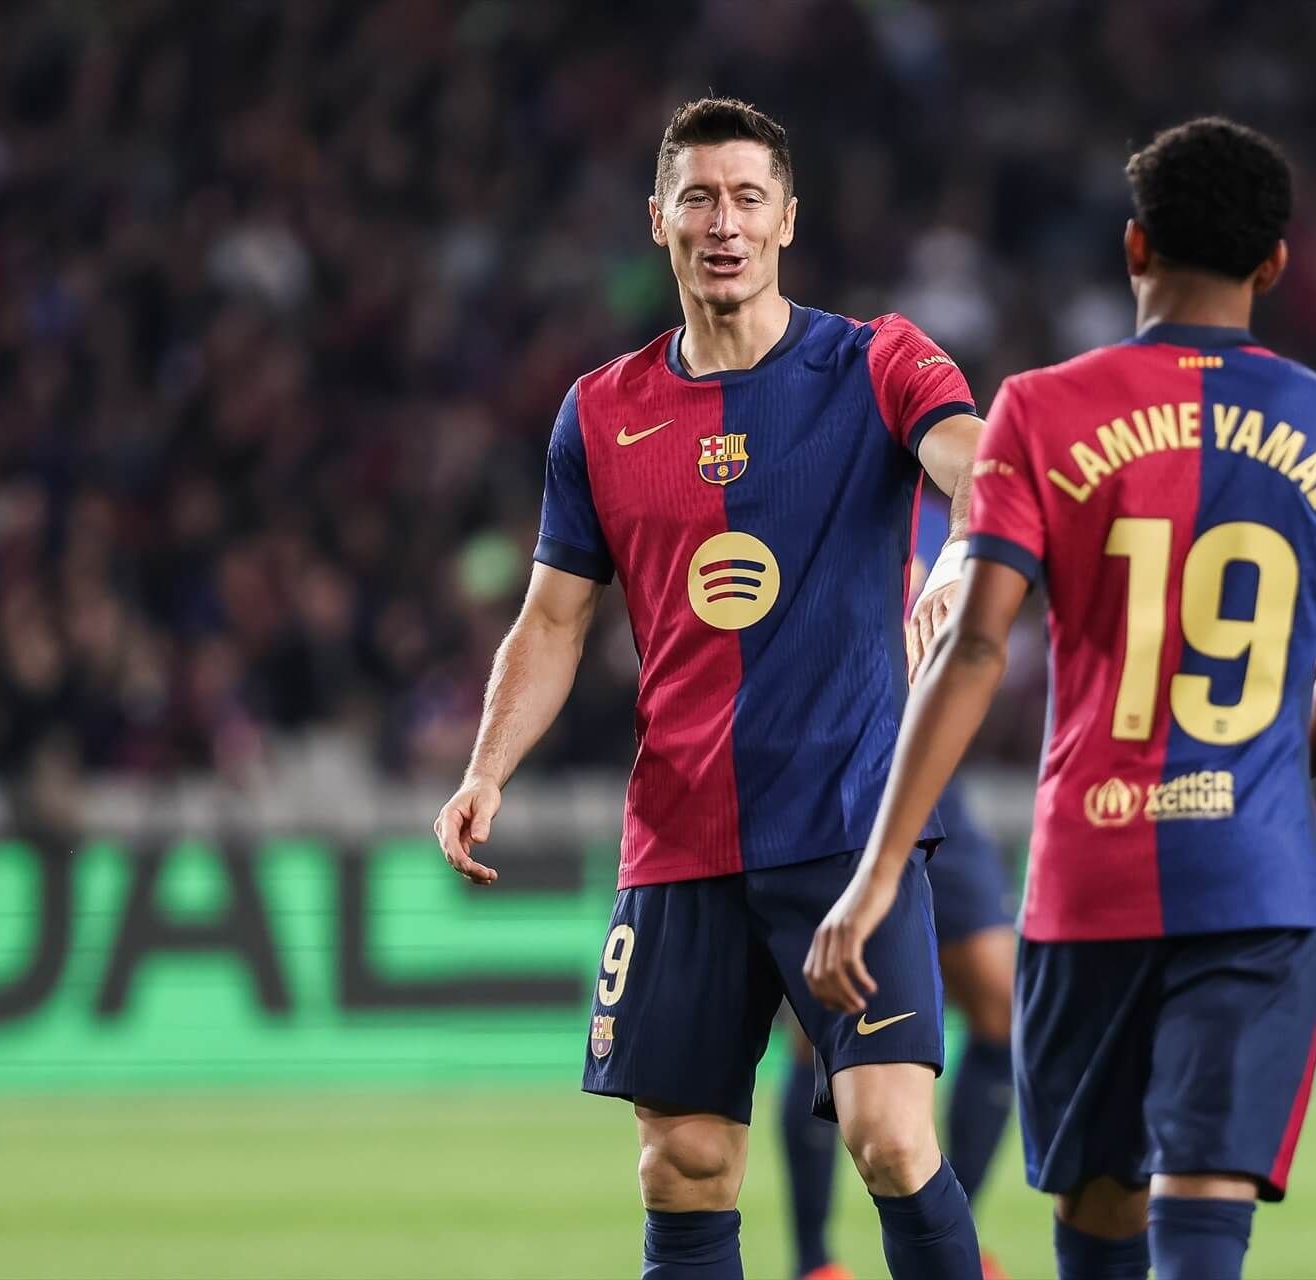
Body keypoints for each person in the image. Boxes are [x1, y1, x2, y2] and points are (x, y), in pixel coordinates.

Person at [805, 117, 1316, 1279]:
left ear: (1133, 248)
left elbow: (971, 652)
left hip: (1089, 880)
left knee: (1102, 1207)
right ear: (1275, 265)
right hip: (1258, 881)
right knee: (1205, 1199)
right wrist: (1252, 781)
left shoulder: (1036, 409)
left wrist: (879, 872)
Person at [433, 97, 986, 1279]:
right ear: (657, 221)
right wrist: (486, 766)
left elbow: (977, 464)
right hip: (682, 835)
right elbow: (554, 615)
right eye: (698, 196)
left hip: (848, 822)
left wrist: (959, 549)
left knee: (890, 1138)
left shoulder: (878, 359)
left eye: (746, 197)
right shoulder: (599, 411)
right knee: (682, 1161)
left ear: (789, 218)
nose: (722, 221)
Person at [780, 487, 1017, 1280]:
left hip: (928, 769)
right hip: (826, 776)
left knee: (1000, 1000)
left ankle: (955, 1234)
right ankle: (816, 1261)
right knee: (817, 1026)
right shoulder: (822, 459)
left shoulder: (945, 483)